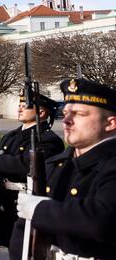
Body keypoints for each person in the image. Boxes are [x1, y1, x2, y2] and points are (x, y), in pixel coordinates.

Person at [12, 78, 116, 259]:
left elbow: (101, 219)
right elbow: (23, 230)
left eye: (80, 114)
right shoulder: (55, 164)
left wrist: (41, 209)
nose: (66, 120)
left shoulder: (111, 163)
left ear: (110, 123)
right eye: (66, 113)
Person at [0, 89, 63, 249]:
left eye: (25, 105)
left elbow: (25, 165)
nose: (19, 108)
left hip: (24, 201)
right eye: (19, 104)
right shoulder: (11, 136)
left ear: (42, 112)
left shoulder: (49, 139)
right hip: (4, 202)